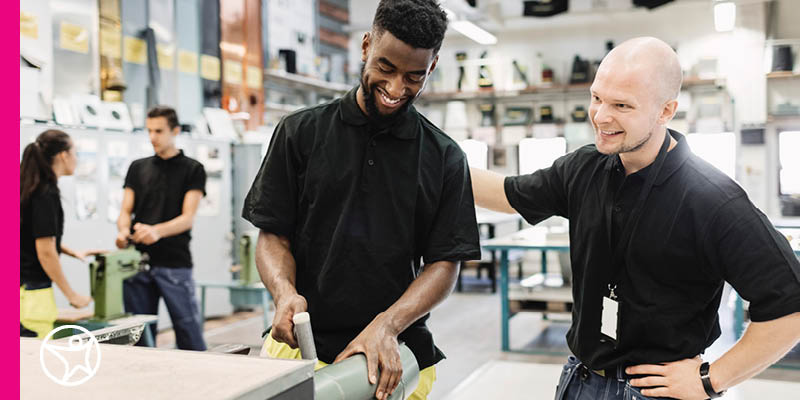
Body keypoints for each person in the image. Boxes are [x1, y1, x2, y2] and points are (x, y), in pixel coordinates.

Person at [471, 37, 800, 400]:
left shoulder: (712, 199)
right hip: (581, 379)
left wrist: (711, 379)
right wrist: (433, 159)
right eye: (596, 98)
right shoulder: (584, 167)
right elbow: (508, 193)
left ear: (665, 111)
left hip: (657, 392)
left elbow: (790, 308)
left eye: (622, 105)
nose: (600, 116)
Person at [242, 1, 480, 399]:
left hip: (396, 350)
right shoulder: (300, 133)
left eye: (413, 76)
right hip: (301, 341)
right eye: (386, 68)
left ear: (432, 67)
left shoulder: (444, 157)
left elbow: (444, 262)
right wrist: (284, 291)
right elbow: (273, 235)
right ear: (367, 45)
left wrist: (387, 325)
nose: (396, 88)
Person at [117, 106, 207, 351]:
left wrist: (156, 231)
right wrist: (123, 231)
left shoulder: (193, 169)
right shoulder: (137, 167)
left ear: (175, 131)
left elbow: (188, 218)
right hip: (137, 264)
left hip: (174, 264)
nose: (152, 137)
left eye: (159, 131)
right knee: (138, 338)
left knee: (189, 333)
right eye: (149, 131)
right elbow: (125, 211)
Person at [20, 129, 101, 338]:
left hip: (22, 288)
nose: (77, 159)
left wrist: (71, 252)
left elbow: (30, 236)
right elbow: (45, 252)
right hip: (31, 295)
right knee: (32, 361)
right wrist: (71, 294)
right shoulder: (45, 194)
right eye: (75, 153)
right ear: (64, 155)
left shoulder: (29, 188)